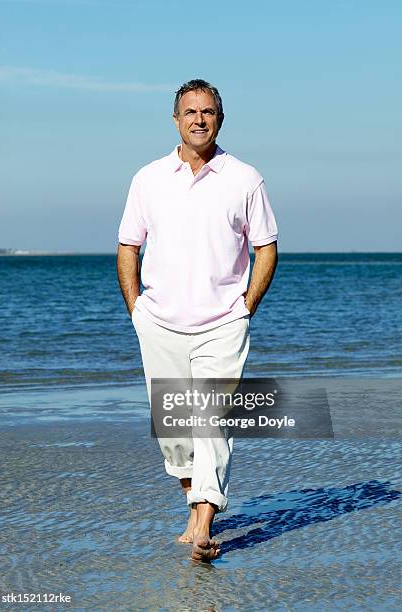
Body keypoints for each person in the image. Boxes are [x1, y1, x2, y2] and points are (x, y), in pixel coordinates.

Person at [117, 79, 278, 562]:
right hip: (160, 323)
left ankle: (205, 522)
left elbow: (265, 246)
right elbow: (129, 246)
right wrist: (136, 309)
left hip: (222, 323)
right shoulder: (147, 178)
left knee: (212, 423)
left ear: (220, 120)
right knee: (175, 431)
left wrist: (245, 306)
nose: (199, 119)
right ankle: (195, 500)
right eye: (190, 112)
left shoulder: (245, 178)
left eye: (208, 112)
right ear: (175, 120)